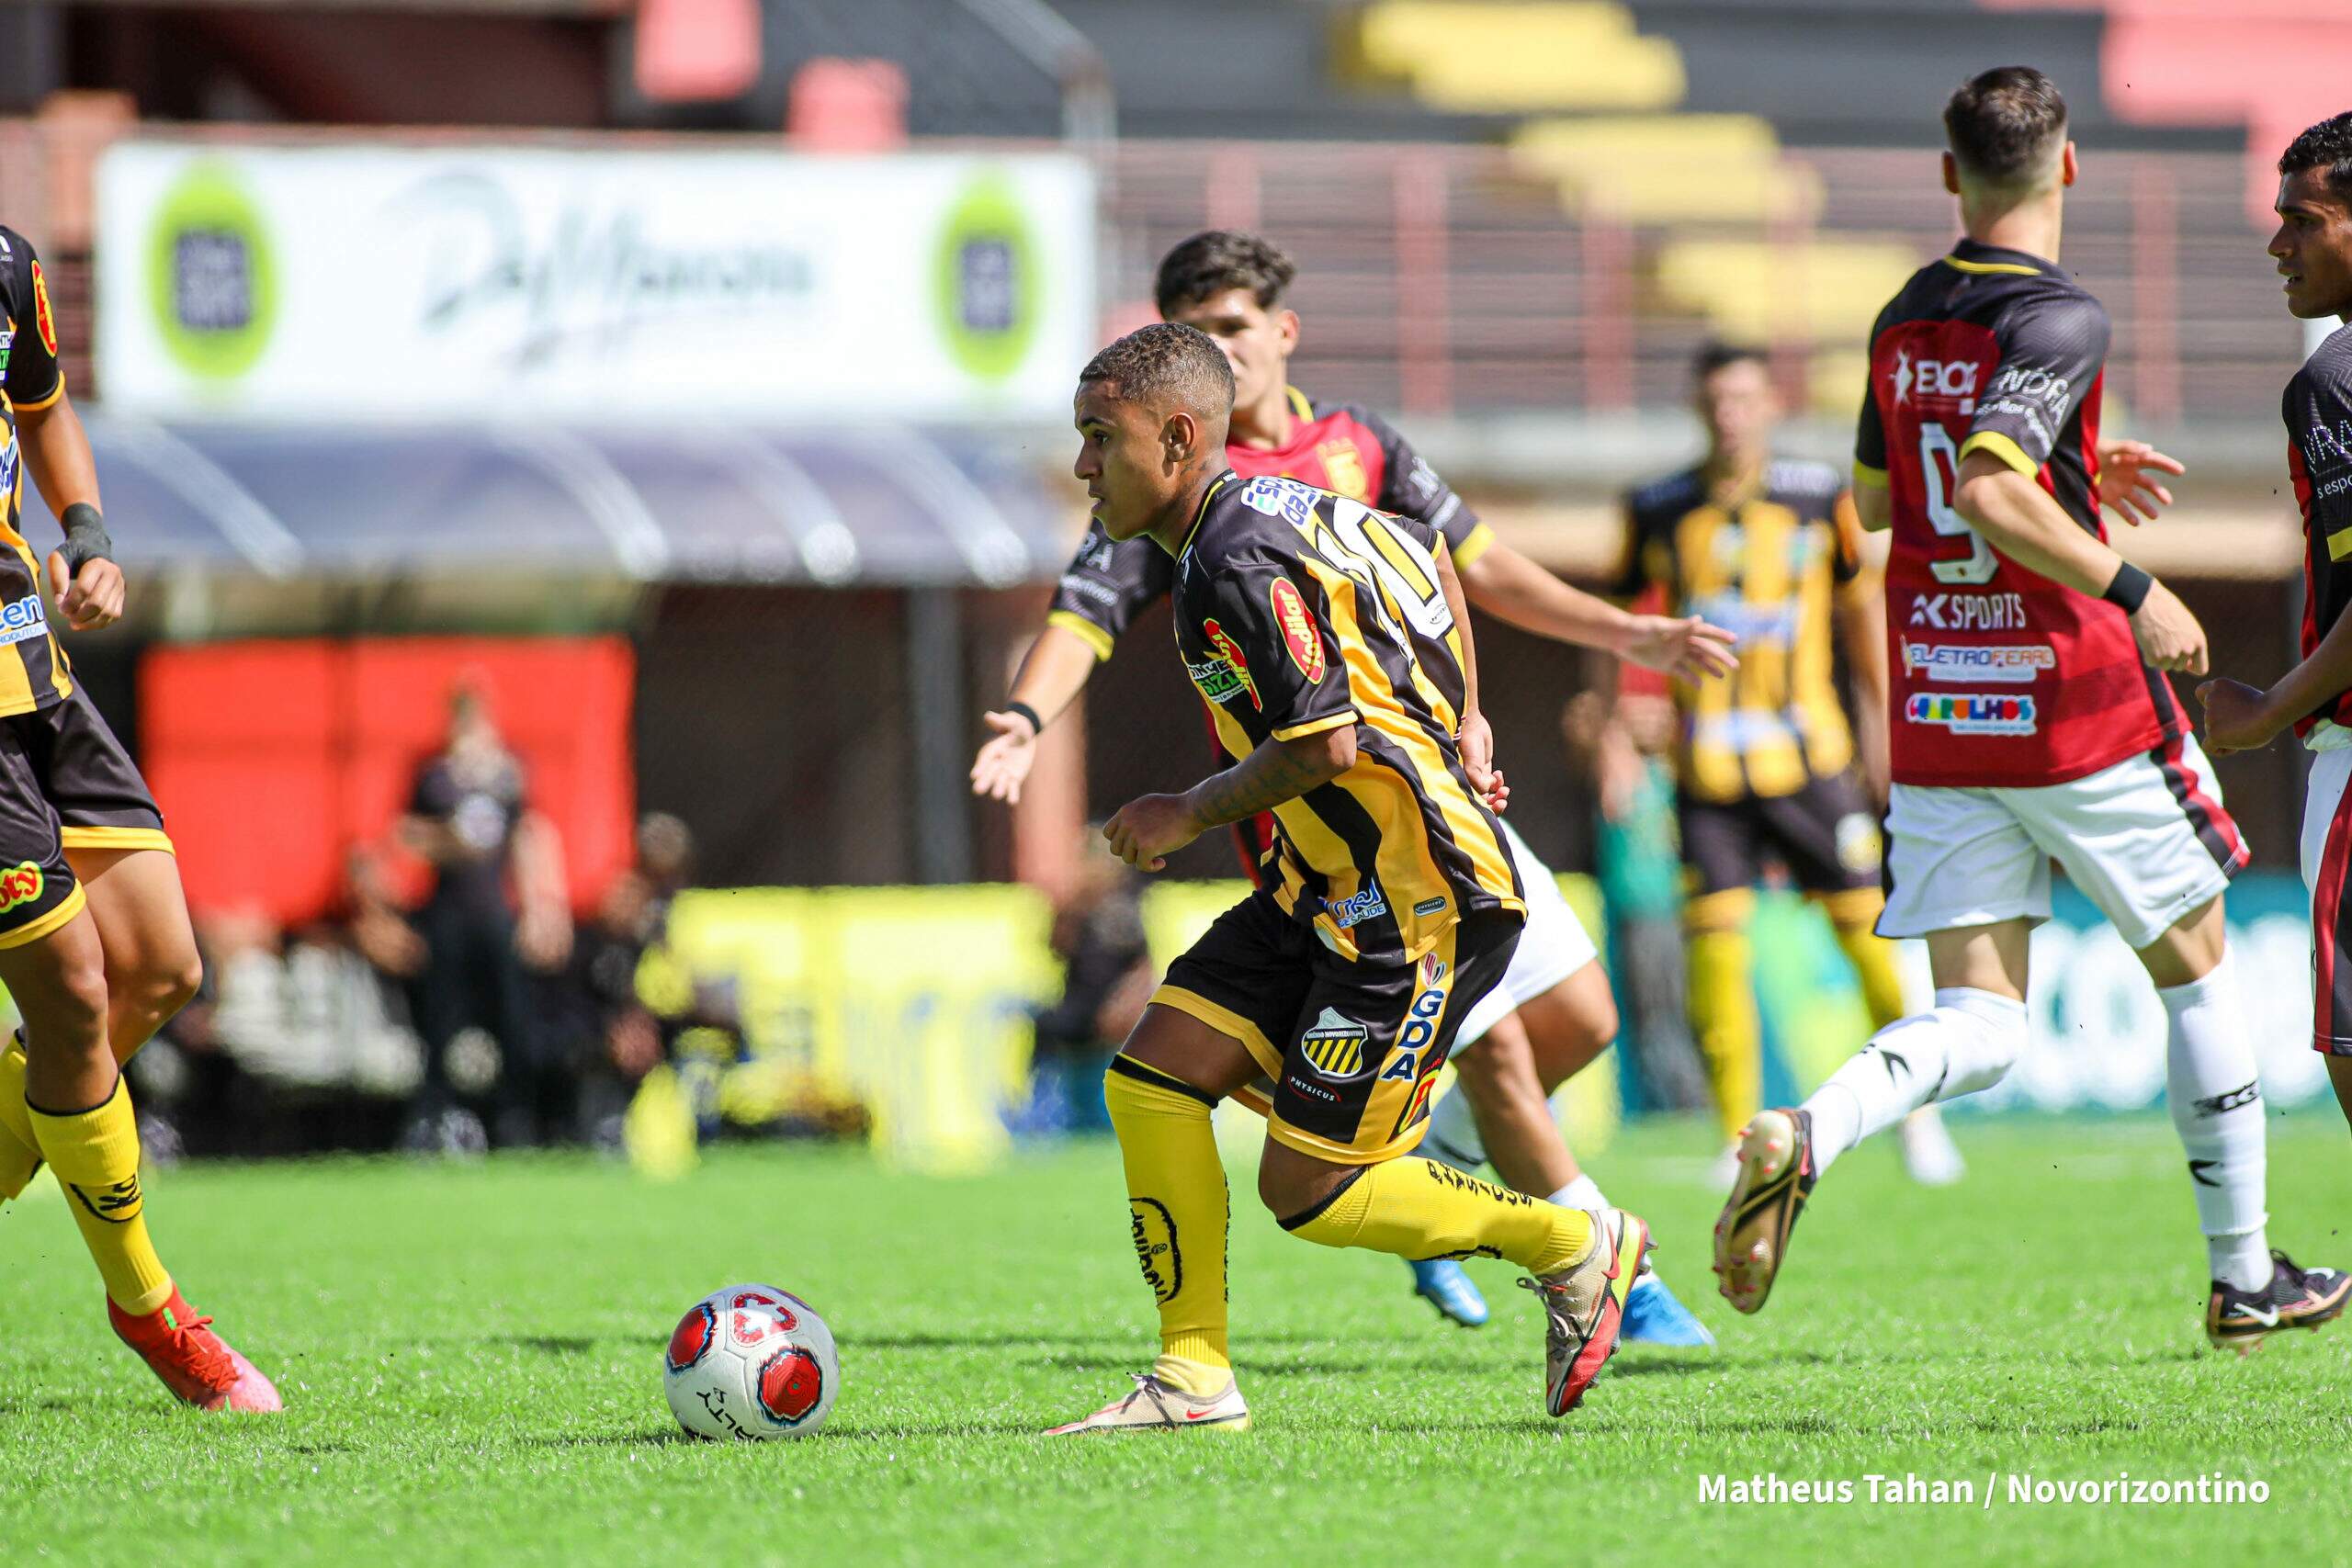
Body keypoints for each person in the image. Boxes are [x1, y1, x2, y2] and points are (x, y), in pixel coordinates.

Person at [975, 231, 1728, 1342]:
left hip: (1406, 855)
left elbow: (1442, 576)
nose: (1086, 465)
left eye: (1230, 327)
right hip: (1324, 864)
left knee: (1570, 1026)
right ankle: (1204, 1368)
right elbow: (1081, 618)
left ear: (1271, 342)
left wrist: (1465, 709)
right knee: (1176, 1076)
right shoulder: (1176, 520)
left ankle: (1547, 1229)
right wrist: (1030, 717)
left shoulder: (1295, 491)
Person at [1714, 66, 2349, 1352]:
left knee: (1983, 1018)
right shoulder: (2060, 318)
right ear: (2066, 170)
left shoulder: (1902, 316)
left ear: (1952, 175)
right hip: (2073, 696)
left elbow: (1893, 504)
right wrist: (2136, 584)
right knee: (2200, 964)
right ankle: (2243, 1273)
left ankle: (1812, 1128)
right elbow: (1996, 492)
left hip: (1947, 707)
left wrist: (2067, 469)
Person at [1045, 323, 1649, 1434]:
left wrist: (1185, 808)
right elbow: (1429, 555)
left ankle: (1576, 1242)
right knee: (1151, 1079)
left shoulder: (1226, 564)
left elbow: (1321, 741)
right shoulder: (1294, 511)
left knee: (1308, 1192)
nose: (1085, 465)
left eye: (1100, 438)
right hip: (1322, 889)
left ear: (1177, 439)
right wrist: (1457, 717)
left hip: (1413, 906)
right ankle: (1193, 1381)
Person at [0, 223, 277, 1409]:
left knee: (157, 968)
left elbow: (44, 406)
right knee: (67, 986)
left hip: (25, 659)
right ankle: (154, 1309)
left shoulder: (7, 262)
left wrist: (86, 539)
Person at [1620, 340, 1963, 1186]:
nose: (1728, 415)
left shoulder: (1820, 498)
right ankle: (1732, 1136)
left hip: (1814, 763)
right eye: (1714, 401)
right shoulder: (1658, 506)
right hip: (1706, 775)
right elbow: (1625, 615)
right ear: (1698, 410)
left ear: (1769, 404)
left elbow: (1861, 617)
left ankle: (1918, 1120)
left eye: (1743, 398)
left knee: (1871, 943)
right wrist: (1614, 729)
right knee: (1717, 957)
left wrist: (1885, 731)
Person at [2199, 111, 2352, 1149]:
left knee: (2350, 1040)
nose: (2276, 246)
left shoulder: (2336, 381)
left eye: (2302, 221)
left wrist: (2264, 714)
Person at [396, 678, 573, 1152]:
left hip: (495, 914)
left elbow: (527, 836)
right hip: (447, 914)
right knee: (439, 1019)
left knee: (512, 1017)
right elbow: (406, 835)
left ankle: (516, 1119)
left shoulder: (507, 773)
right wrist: (449, 842)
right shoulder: (433, 774)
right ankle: (433, 1118)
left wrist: (542, 905)